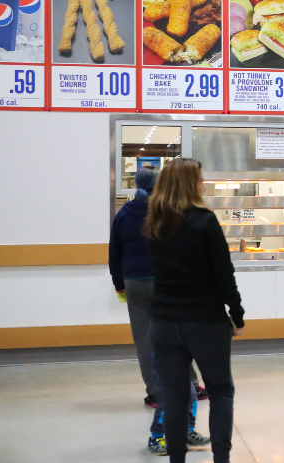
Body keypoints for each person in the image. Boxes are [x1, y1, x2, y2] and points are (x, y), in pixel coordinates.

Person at [144, 158, 244, 463]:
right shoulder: (204, 221)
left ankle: (177, 459)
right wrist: (236, 313)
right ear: (190, 183)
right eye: (200, 179)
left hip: (163, 321)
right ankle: (221, 459)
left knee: (174, 398)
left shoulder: (154, 222)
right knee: (221, 390)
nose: (203, 184)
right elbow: (223, 274)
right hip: (204, 321)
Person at [109, 162, 161, 406]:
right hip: (164, 280)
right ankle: (189, 385)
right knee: (176, 333)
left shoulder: (123, 214)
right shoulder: (165, 212)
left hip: (134, 281)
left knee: (143, 338)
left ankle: (154, 391)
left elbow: (115, 252)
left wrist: (119, 284)